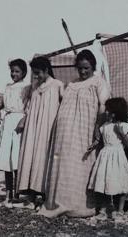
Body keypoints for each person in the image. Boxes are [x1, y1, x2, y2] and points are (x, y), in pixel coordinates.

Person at [39, 49, 110, 217]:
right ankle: (59, 201)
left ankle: (80, 205)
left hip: (84, 130)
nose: (83, 71)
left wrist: (97, 128)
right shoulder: (71, 84)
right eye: (80, 68)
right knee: (64, 163)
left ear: (93, 66)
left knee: (80, 163)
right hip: (64, 133)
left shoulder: (98, 82)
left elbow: (103, 107)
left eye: (86, 68)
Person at [15, 56, 63, 210]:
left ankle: (43, 193)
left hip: (48, 126)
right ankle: (30, 193)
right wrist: (24, 119)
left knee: (44, 157)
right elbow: (29, 106)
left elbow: (63, 105)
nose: (36, 76)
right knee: (31, 155)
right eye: (34, 73)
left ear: (46, 70)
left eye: (38, 73)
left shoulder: (57, 85)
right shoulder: (34, 87)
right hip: (33, 127)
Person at [87, 97, 128, 219]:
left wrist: (120, 133)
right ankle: (104, 209)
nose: (106, 112)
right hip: (105, 156)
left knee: (119, 182)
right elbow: (100, 140)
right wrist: (94, 144)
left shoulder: (124, 126)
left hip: (118, 156)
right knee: (104, 181)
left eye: (109, 110)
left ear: (116, 112)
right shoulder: (105, 126)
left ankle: (120, 210)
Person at [0, 59, 29, 207]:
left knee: (16, 158)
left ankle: (17, 194)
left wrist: (24, 120)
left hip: (19, 120)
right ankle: (8, 194)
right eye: (12, 71)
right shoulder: (8, 87)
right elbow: (3, 104)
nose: (14, 74)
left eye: (17, 71)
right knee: (7, 159)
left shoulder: (27, 87)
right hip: (7, 121)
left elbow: (28, 106)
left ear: (23, 73)